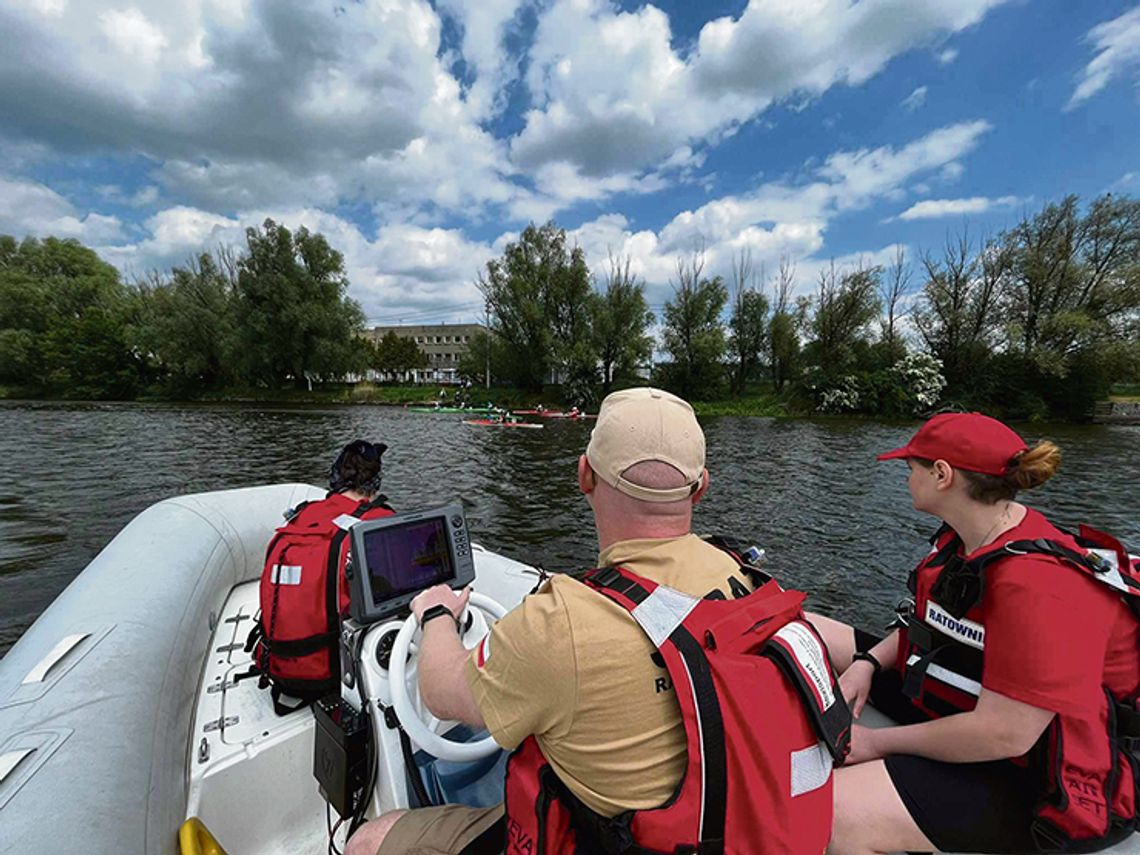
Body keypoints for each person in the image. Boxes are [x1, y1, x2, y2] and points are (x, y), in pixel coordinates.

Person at [346, 387, 847, 855]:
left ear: (584, 475)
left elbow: (440, 691)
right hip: (733, 831)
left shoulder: (561, 620)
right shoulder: (753, 581)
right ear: (700, 489)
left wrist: (435, 612)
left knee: (372, 838)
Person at [810, 412, 1140, 854]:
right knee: (808, 628)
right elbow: (930, 623)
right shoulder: (971, 535)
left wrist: (873, 743)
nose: (907, 479)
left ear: (941, 475)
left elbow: (1006, 733)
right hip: (954, 700)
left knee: (832, 814)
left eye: (911, 469)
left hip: (1027, 774)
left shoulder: (1040, 587)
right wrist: (867, 665)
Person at [250, 440, 395, 711]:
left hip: (276, 665)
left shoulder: (304, 514)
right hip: (328, 676)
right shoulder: (379, 520)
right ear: (376, 481)